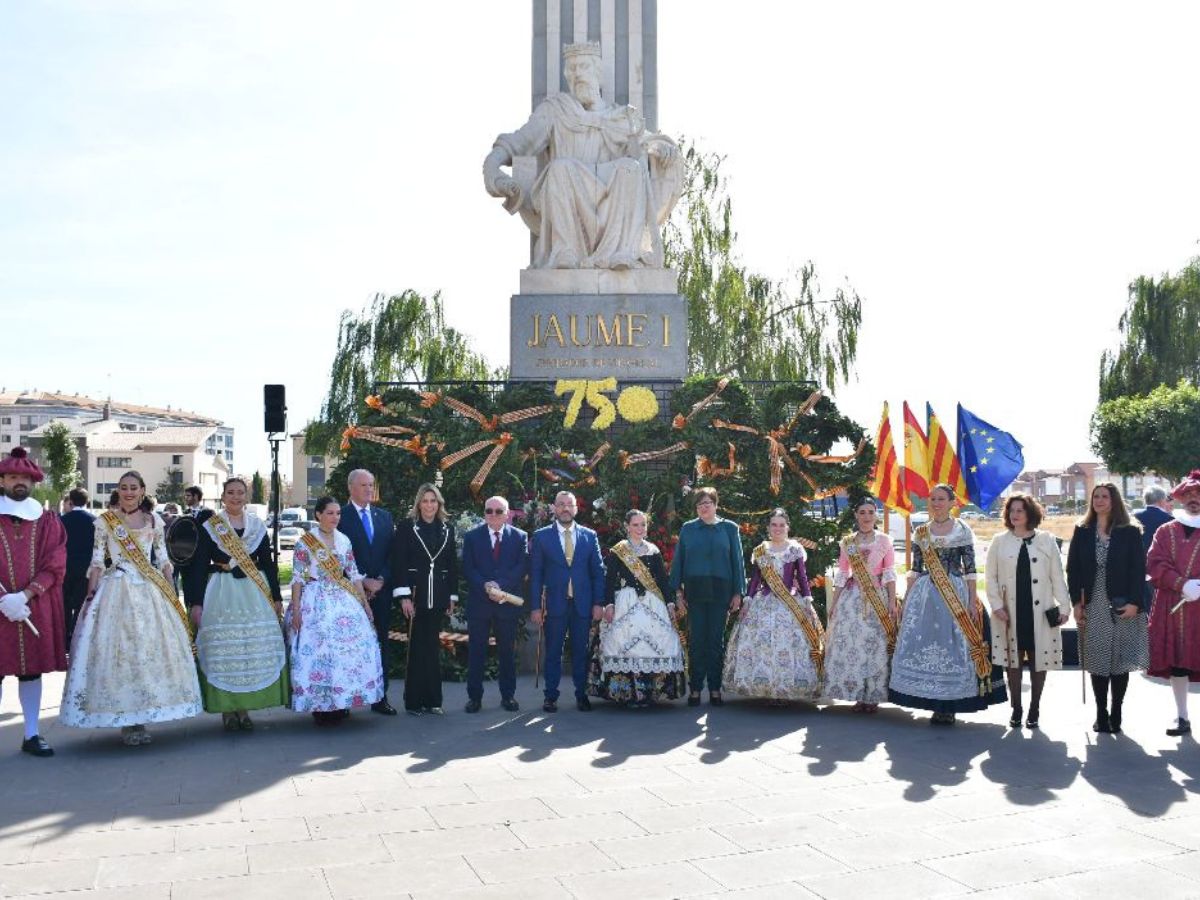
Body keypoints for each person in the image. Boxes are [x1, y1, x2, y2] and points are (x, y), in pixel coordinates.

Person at [483, 41, 684, 270]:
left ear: (598, 73)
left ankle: (620, 253)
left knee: (631, 169)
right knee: (560, 168)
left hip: (611, 189)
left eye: (583, 67)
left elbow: (647, 140)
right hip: (570, 186)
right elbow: (520, 141)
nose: (577, 74)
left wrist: (661, 148)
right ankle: (564, 252)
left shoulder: (621, 117)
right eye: (572, 69)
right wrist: (492, 165)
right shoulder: (556, 111)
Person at [61, 470, 201, 745]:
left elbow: (162, 560)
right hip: (116, 589)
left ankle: (144, 713)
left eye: (133, 487)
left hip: (150, 590)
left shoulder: (154, 520)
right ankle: (126, 719)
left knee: (147, 652)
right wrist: (90, 596)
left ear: (142, 490)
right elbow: (98, 561)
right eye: (124, 487)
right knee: (120, 653)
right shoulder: (106, 522)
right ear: (118, 491)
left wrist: (172, 593)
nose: (128, 492)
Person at [889, 484, 1007, 724]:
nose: (936, 503)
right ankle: (930, 700)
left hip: (955, 592)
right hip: (925, 594)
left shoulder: (962, 530)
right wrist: (907, 595)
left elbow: (971, 569)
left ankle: (949, 705)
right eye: (933, 499)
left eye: (941, 499)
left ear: (953, 502)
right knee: (924, 644)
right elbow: (915, 568)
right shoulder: (921, 531)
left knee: (953, 646)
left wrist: (973, 600)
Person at [184, 477, 289, 731]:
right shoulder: (211, 525)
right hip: (222, 590)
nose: (236, 497)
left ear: (246, 496)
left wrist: (276, 596)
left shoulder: (257, 525)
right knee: (224, 651)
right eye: (230, 492)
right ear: (223, 496)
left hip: (255, 591)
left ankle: (244, 709)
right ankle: (227, 709)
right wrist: (195, 602)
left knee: (249, 649)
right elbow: (198, 566)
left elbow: (267, 562)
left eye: (240, 492)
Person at [288, 495, 383, 725]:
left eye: (338, 513)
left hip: (342, 599)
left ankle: (342, 702)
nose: (335, 518)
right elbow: (298, 578)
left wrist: (365, 604)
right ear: (318, 514)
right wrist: (297, 609)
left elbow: (353, 574)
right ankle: (321, 706)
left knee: (346, 652)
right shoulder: (306, 542)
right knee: (321, 653)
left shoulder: (344, 540)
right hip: (315, 600)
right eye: (330, 513)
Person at [0, 448, 68, 757]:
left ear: (33, 482)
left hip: (34, 604)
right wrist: (4, 599)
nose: (19, 483)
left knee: (31, 671)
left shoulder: (47, 520)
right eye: (13, 477)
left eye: (24, 478)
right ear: (3, 480)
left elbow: (56, 561)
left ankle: (31, 734)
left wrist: (25, 595)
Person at [1067, 482, 1147, 735]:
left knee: (1120, 659)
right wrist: (1076, 604)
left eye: (1105, 496)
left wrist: (1136, 602)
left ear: (1114, 501)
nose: (1099, 500)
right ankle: (1101, 713)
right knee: (1098, 657)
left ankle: (1117, 712)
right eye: (1096, 496)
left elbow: (1138, 570)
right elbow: (1073, 569)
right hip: (1093, 601)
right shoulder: (1082, 531)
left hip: (1124, 603)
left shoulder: (1130, 532)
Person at [985, 494, 1070, 730]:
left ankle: (1034, 708)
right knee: (1012, 660)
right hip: (1010, 611)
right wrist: (996, 605)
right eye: (1012, 510)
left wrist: (1064, 607)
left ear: (1030, 513)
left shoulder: (1046, 540)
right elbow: (989, 577)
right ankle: (1016, 708)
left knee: (1038, 660)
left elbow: (1057, 577)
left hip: (1040, 610)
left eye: (1020, 510)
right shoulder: (999, 541)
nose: (1015, 514)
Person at [588, 509, 685, 707]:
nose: (640, 528)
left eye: (643, 524)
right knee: (623, 644)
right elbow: (610, 581)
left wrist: (669, 603)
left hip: (652, 603)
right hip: (626, 602)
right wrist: (609, 604)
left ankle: (651, 692)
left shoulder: (653, 550)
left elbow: (662, 581)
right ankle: (627, 693)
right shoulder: (619, 550)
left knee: (657, 643)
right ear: (627, 527)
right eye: (635, 525)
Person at [724, 509, 821, 705]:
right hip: (764, 601)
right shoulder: (762, 550)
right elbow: (756, 579)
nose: (778, 528)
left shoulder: (794, 549)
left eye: (781, 525)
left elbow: (802, 577)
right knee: (764, 644)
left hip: (790, 602)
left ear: (787, 527)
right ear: (769, 528)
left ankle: (785, 690)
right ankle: (767, 689)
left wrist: (808, 602)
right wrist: (748, 601)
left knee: (788, 644)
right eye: (774, 525)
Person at [669, 487, 746, 707]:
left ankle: (714, 688)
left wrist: (738, 592)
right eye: (700, 504)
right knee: (696, 641)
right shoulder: (688, 529)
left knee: (715, 642)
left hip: (721, 592)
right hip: (695, 591)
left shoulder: (729, 528)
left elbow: (737, 562)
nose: (704, 507)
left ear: (716, 505)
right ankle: (695, 688)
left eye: (708, 503)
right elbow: (678, 562)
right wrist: (678, 592)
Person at [530, 491, 606, 712]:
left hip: (582, 604)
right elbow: (536, 574)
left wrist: (598, 603)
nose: (565, 508)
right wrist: (535, 606)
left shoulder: (589, 536)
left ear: (576, 508)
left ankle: (581, 695)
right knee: (553, 651)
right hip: (554, 604)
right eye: (561, 504)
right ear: (554, 508)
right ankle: (550, 696)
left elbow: (598, 572)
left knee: (581, 652)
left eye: (569, 505)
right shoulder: (542, 536)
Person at [824, 497, 898, 713]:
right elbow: (843, 573)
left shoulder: (885, 541)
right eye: (862, 512)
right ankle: (857, 694)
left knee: (874, 646)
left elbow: (889, 573)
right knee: (853, 645)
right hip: (852, 598)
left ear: (876, 515)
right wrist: (835, 603)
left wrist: (892, 602)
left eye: (870, 512)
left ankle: (873, 695)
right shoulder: (848, 542)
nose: (866, 516)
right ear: (856, 515)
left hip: (877, 598)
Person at [390, 483, 457, 716]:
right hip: (415, 596)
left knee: (432, 648)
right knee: (417, 649)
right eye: (425, 501)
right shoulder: (407, 527)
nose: (429, 505)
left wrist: (452, 596)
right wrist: (404, 597)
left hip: (437, 597)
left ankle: (433, 701)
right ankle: (413, 702)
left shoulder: (447, 529)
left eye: (433, 501)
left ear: (439, 504)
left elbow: (451, 565)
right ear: (419, 504)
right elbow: (398, 563)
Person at [338, 469, 397, 715]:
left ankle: (379, 697)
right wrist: (362, 582)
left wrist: (381, 580)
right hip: (350, 594)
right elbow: (335, 557)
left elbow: (393, 554)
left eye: (372, 485)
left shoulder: (384, 516)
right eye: (364, 485)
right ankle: (345, 700)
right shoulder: (339, 516)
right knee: (348, 647)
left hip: (381, 593)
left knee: (380, 644)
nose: (369, 489)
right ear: (351, 487)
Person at [461, 496, 528, 713]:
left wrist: (499, 586)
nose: (493, 515)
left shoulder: (520, 537)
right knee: (476, 653)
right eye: (489, 511)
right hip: (480, 604)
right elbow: (468, 569)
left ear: (507, 514)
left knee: (507, 653)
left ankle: (508, 697)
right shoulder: (472, 537)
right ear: (484, 513)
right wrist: (486, 586)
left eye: (499, 511)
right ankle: (474, 698)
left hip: (506, 604)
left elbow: (521, 567)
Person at [1146, 469, 1200, 737]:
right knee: (1178, 663)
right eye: (1188, 493)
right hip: (1172, 605)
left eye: (1198, 493)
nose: (1194, 498)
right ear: (1180, 498)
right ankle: (1182, 716)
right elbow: (1155, 563)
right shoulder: (1166, 530)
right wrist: (1181, 584)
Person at [60, 487, 95, 647]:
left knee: (65, 602)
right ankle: (75, 635)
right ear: (87, 501)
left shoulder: (62, 520)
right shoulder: (94, 521)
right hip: (86, 569)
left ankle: (64, 635)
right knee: (81, 603)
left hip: (64, 567)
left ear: (71, 501)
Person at [1136, 486, 1176, 611]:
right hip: (1160, 572)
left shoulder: (1133, 518)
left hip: (1135, 570)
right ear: (1161, 500)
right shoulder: (1170, 520)